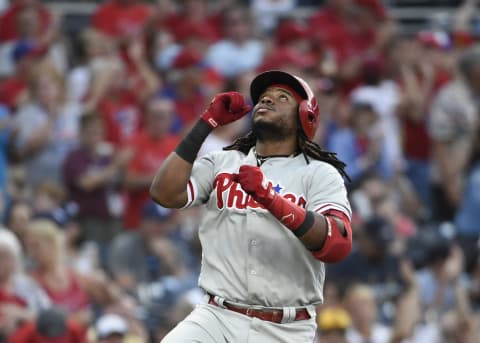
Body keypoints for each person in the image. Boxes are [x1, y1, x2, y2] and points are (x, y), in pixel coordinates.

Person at [150, 70, 353, 342]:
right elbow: (164, 193)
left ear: (306, 115)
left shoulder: (319, 173)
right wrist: (206, 123)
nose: (267, 101)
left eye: (282, 98)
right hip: (216, 317)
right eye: (264, 98)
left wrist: (272, 199)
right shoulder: (223, 162)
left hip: (285, 326)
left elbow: (338, 244)